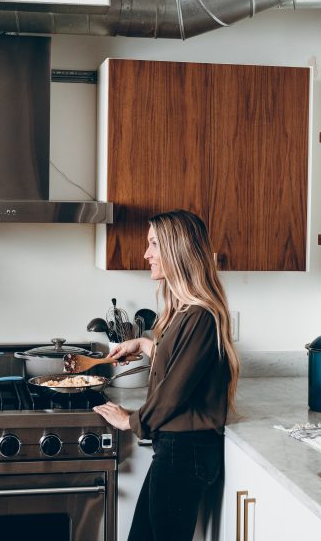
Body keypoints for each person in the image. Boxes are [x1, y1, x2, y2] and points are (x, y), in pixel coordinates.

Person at [93, 209, 240, 541]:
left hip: (184, 453)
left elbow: (174, 390)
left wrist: (132, 421)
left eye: (154, 244)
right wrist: (145, 345)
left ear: (178, 249)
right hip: (176, 451)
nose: (147, 254)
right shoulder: (185, 312)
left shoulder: (200, 315)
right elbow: (183, 365)